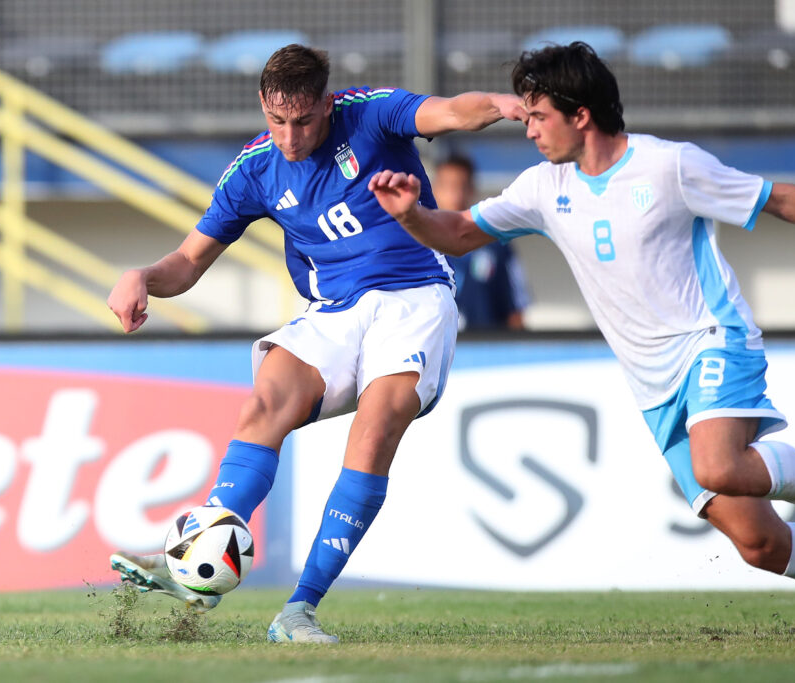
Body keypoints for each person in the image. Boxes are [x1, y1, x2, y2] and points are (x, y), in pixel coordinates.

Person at [369, 41, 795, 648]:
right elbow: (456, 234)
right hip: (650, 383)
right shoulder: (542, 188)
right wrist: (410, 216)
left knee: (718, 464)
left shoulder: (669, 166)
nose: (527, 128)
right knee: (761, 545)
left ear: (579, 114)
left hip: (712, 339)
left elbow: (779, 199)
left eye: (537, 116)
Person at [106, 44, 525, 644]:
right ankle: (199, 559)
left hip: (414, 296)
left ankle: (298, 609)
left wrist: (506, 106)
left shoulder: (372, 113)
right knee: (262, 403)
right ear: (263, 107)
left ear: (327, 104)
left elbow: (452, 111)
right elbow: (188, 263)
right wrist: (142, 277)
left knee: (375, 430)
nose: (290, 136)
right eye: (278, 121)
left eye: (303, 121)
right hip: (331, 311)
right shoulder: (253, 170)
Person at [432, 156, 530, 330]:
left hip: (485, 351)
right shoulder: (417, 246)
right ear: (434, 189)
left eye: (461, 185)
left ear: (471, 190)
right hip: (436, 351)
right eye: (447, 185)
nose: (455, 193)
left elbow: (515, 310)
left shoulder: (496, 243)